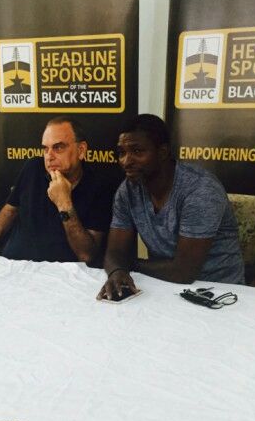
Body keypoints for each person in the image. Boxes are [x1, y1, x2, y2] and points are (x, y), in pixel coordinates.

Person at [98, 114, 244, 300]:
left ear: (162, 152)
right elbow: (115, 251)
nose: (126, 161)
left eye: (137, 151)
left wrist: (129, 264)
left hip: (221, 292)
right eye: (121, 153)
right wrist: (117, 271)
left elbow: (184, 272)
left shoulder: (200, 190)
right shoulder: (128, 190)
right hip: (164, 285)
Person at [0, 116, 115, 264]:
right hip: (13, 264)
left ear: (81, 150)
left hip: (61, 272)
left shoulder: (99, 186)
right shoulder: (33, 167)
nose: (49, 156)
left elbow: (86, 255)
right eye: (45, 148)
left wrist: (64, 203)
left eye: (58, 147)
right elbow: (9, 210)